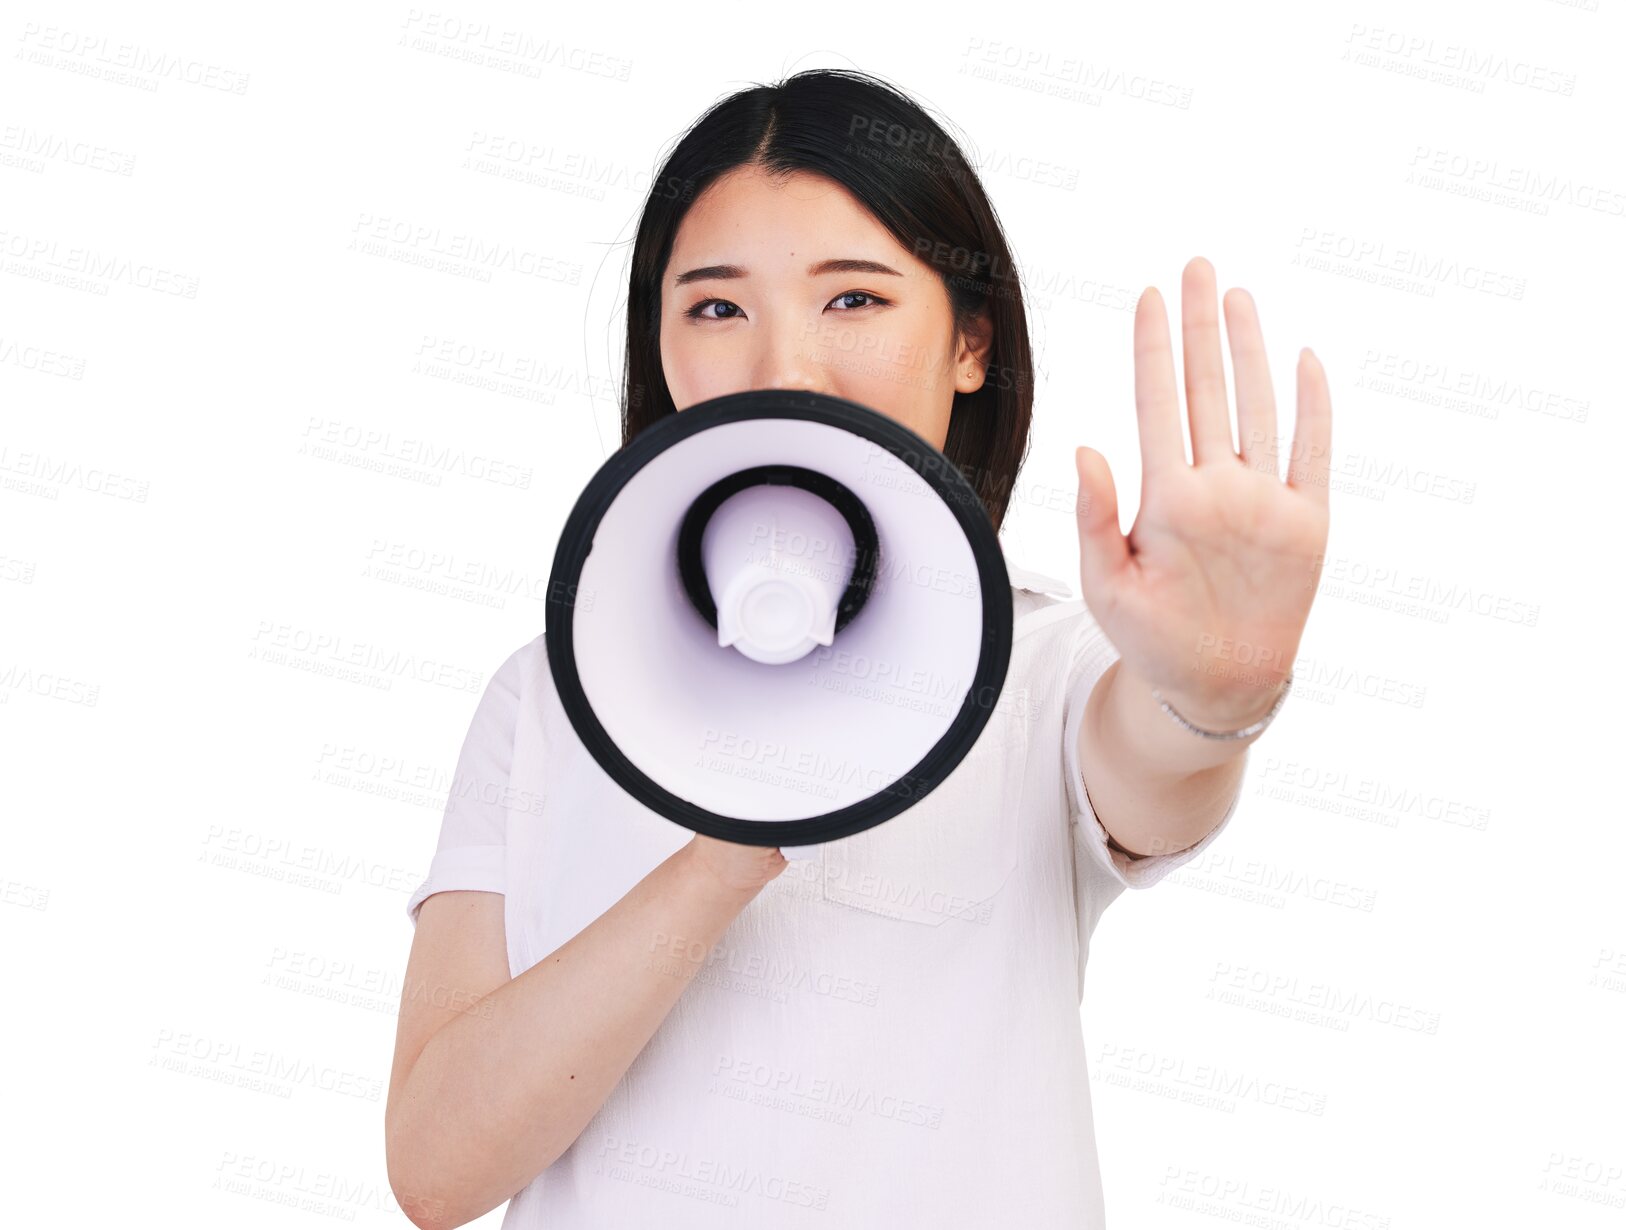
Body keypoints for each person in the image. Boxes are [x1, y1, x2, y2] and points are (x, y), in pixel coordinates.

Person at [384, 68, 1331, 1230]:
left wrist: (1212, 693)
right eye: (717, 308)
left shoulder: (1045, 668)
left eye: (856, 302)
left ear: (972, 343)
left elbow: (1155, 768)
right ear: (662, 348)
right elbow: (435, 1169)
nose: (785, 372)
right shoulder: (547, 697)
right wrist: (727, 841)